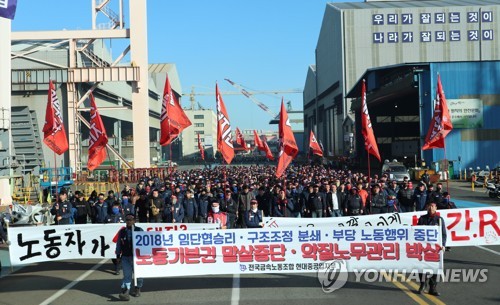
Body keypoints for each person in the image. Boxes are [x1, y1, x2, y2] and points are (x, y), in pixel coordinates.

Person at [417, 202, 447, 296]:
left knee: (435, 268)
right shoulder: (422, 218)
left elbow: (443, 234)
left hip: (435, 248)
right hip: (424, 247)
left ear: (436, 208)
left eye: (433, 206)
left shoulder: (439, 220)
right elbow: (418, 232)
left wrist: (443, 245)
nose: (431, 208)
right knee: (422, 268)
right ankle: (422, 285)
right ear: (427, 207)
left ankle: (432, 288)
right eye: (429, 206)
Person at [116, 214, 144, 300]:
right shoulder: (122, 231)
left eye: (131, 219)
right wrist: (118, 255)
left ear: (134, 221)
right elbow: (118, 244)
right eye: (127, 219)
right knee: (127, 275)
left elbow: (145, 243)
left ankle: (137, 288)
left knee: (138, 275)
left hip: (137, 257)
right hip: (125, 257)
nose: (129, 221)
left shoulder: (139, 230)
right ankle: (125, 292)